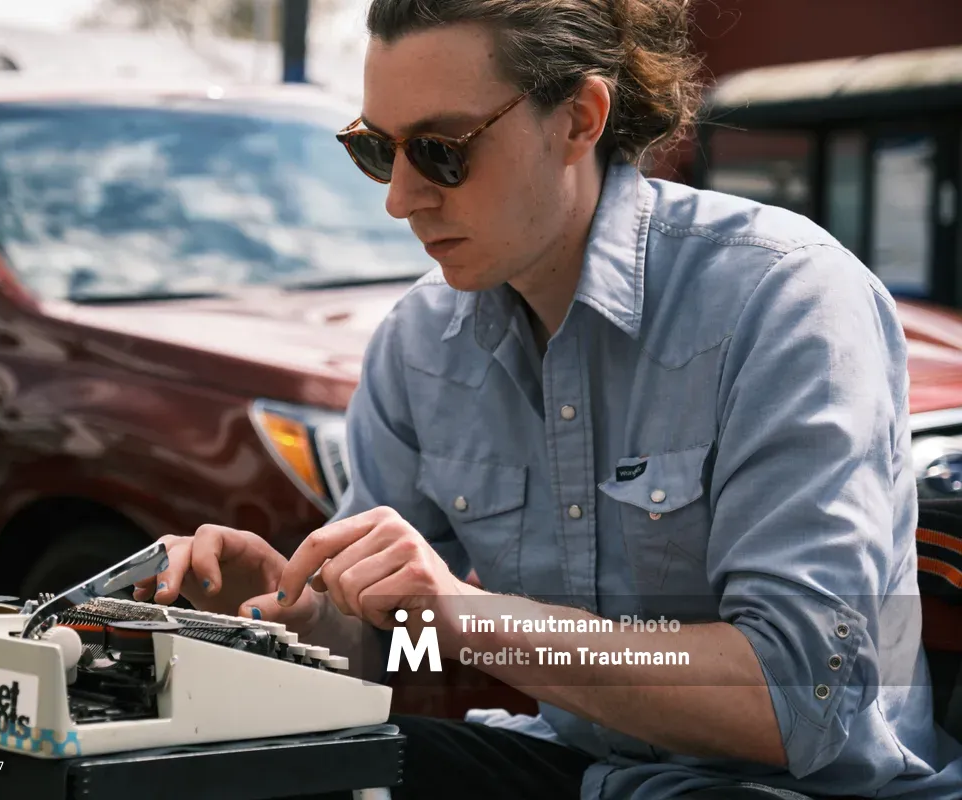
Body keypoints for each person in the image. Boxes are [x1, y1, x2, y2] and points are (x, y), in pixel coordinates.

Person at [134, 0, 962, 797]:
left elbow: (798, 704)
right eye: (376, 150)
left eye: (442, 149)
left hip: (797, 788)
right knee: (261, 770)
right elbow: (408, 652)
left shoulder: (781, 298)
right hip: (580, 769)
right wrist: (283, 617)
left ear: (579, 119)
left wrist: (471, 613)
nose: (400, 198)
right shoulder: (422, 342)